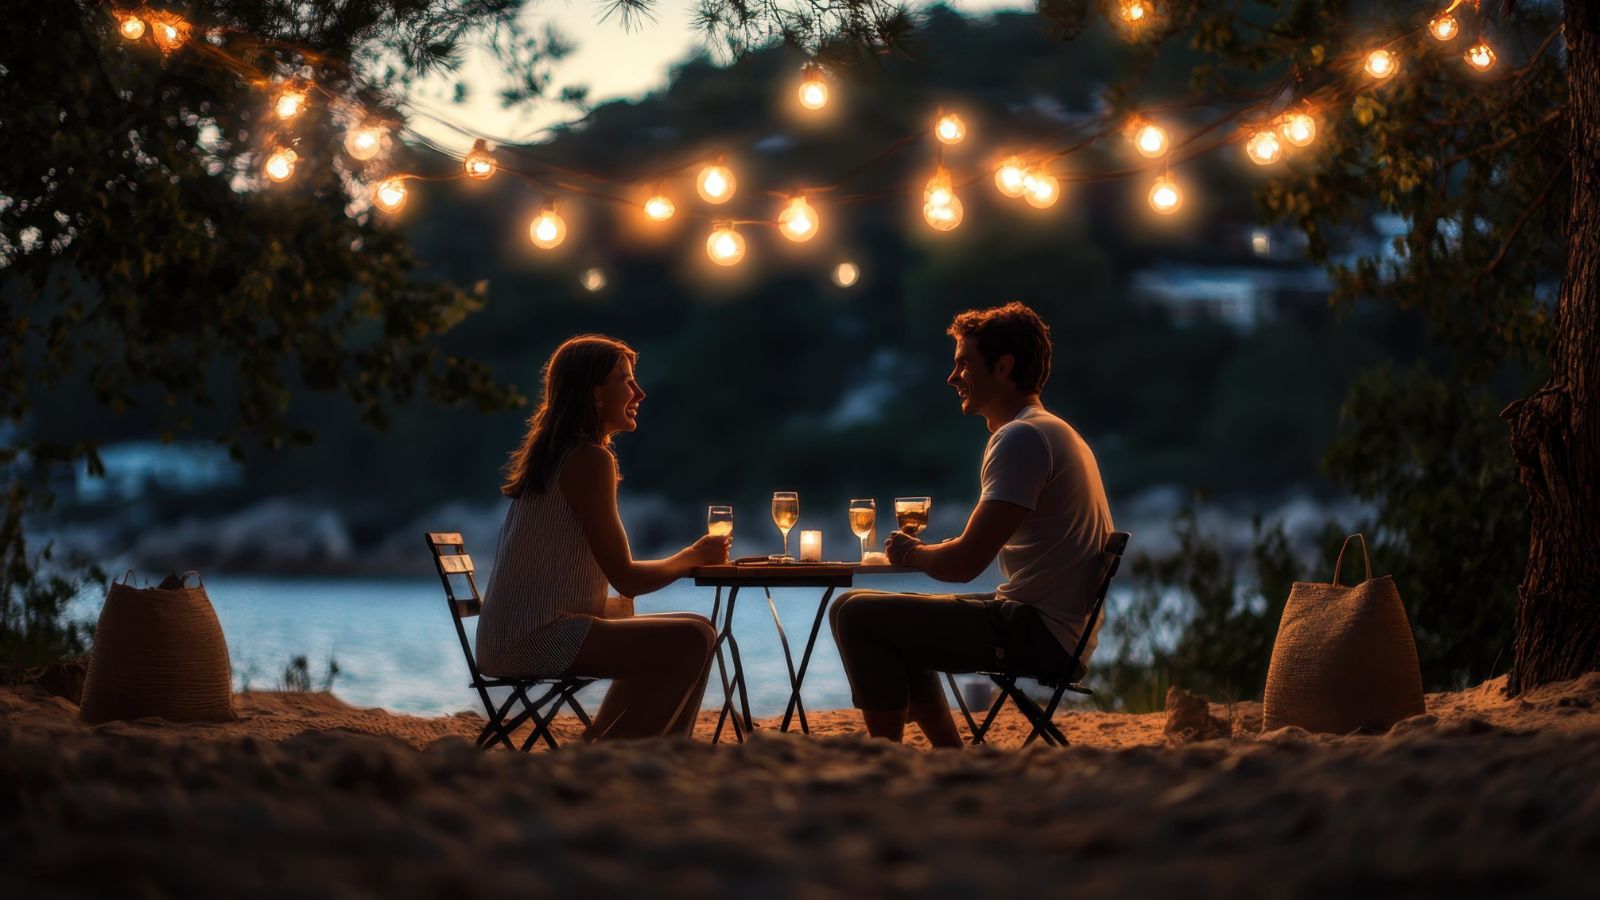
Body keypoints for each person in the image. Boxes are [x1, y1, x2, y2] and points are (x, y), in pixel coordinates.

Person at [830, 302, 1114, 746]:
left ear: (1003, 367)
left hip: (1038, 632)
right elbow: (971, 548)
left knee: (858, 615)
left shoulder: (1023, 438)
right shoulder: (1049, 431)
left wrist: (914, 552)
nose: (952, 376)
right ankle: (948, 754)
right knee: (881, 609)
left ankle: (884, 756)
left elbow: (963, 564)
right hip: (1050, 625)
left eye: (964, 363)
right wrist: (930, 554)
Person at [477, 334, 729, 741]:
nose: (639, 392)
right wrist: (693, 555)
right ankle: (611, 754)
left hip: (513, 635)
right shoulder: (588, 460)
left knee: (694, 629)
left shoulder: (563, 455)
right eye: (626, 380)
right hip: (533, 639)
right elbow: (626, 578)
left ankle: (642, 748)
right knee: (693, 638)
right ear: (593, 393)